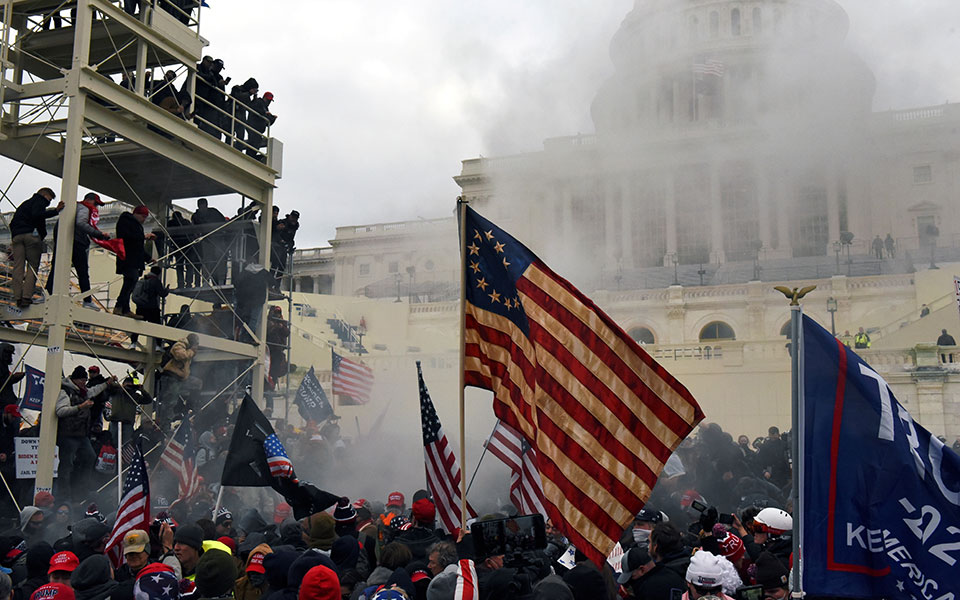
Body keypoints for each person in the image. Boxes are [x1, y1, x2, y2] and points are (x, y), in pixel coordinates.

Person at [55, 367, 113, 502]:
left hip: (81, 434)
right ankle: (64, 496)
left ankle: (81, 490)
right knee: (66, 465)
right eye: (82, 380)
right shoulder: (65, 391)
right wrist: (80, 407)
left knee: (90, 457)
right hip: (68, 434)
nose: (84, 383)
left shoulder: (83, 391)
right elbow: (60, 411)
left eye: (85, 380)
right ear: (74, 379)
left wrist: (106, 383)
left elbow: (94, 390)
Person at [44, 193, 110, 310]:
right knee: (83, 272)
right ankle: (87, 300)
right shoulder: (84, 208)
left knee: (56, 269)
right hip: (77, 242)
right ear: (88, 200)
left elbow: (57, 227)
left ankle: (46, 295)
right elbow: (81, 223)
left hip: (63, 241)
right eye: (95, 204)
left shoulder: (71, 208)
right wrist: (99, 234)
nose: (96, 207)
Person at [9, 188, 64, 307]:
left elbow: (12, 223)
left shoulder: (24, 204)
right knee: (32, 267)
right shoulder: (39, 202)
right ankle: (26, 297)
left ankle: (17, 297)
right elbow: (38, 216)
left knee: (18, 267)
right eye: (49, 199)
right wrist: (55, 211)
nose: (48, 203)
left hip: (17, 237)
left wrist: (15, 236)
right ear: (45, 195)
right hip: (31, 236)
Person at [114, 205, 155, 319]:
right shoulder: (126, 221)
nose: (144, 220)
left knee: (130, 283)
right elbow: (128, 238)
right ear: (136, 214)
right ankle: (119, 306)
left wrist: (148, 258)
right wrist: (144, 237)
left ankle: (124, 308)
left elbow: (138, 247)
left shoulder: (136, 225)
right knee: (130, 281)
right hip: (127, 258)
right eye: (143, 216)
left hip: (132, 259)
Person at [158, 334, 199, 427]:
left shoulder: (186, 349)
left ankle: (190, 406)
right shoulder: (179, 345)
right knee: (169, 402)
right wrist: (192, 351)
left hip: (179, 378)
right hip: (171, 377)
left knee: (197, 384)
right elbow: (180, 356)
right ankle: (165, 425)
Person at [106, 376, 152, 451]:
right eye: (127, 385)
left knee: (126, 445)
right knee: (112, 444)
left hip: (128, 423)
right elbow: (109, 386)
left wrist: (142, 390)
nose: (128, 387)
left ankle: (123, 458)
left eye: (130, 385)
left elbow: (148, 400)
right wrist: (119, 385)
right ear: (123, 384)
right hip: (115, 421)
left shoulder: (134, 395)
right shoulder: (117, 391)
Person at [191, 198, 228, 286]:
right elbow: (194, 229)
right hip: (206, 241)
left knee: (219, 260)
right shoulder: (196, 216)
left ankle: (220, 281)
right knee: (207, 261)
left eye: (204, 206)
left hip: (217, 239)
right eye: (201, 206)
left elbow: (223, 223)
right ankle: (206, 281)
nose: (203, 208)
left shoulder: (214, 212)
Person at [166, 210, 198, 288]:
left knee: (179, 266)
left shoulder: (171, 223)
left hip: (178, 246)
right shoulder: (186, 222)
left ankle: (180, 283)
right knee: (189, 265)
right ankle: (189, 283)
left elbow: (169, 235)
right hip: (189, 246)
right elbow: (193, 232)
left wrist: (170, 251)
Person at [244, 92, 276, 160]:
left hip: (258, 129)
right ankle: (250, 157)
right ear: (264, 98)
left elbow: (268, 123)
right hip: (253, 126)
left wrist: (273, 118)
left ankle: (251, 157)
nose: (269, 102)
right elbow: (253, 108)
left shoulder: (265, 107)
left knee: (256, 143)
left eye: (270, 101)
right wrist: (264, 113)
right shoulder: (258, 102)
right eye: (268, 100)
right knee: (253, 143)